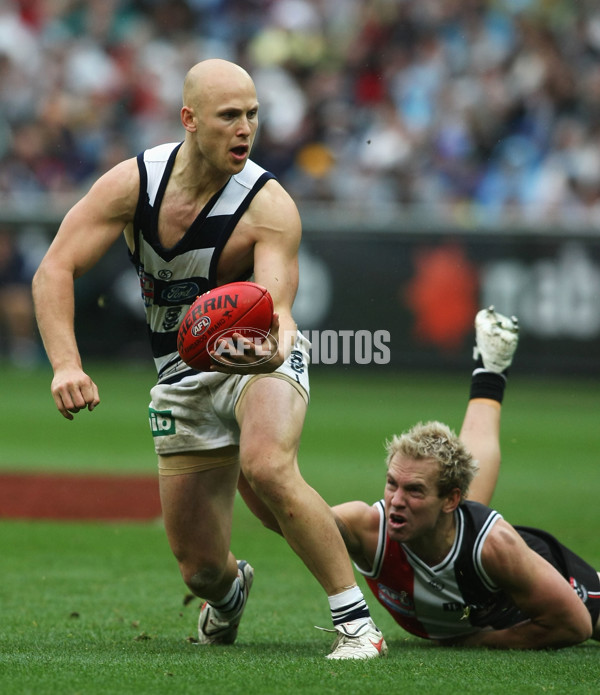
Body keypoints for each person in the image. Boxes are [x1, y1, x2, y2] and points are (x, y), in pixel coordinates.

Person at [31, 58, 386, 659]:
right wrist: (67, 364)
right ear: (189, 120)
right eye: (229, 116)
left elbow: (277, 307)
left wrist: (274, 337)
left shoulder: (269, 205)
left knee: (268, 466)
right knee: (198, 569)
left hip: (256, 357)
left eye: (252, 115)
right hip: (178, 375)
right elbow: (54, 268)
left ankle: (357, 624)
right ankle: (230, 594)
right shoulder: (133, 184)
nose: (245, 128)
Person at [240, 307, 600, 650]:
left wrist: (477, 643)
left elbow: (574, 624)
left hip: (539, 577)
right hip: (460, 538)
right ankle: (489, 372)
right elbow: (285, 515)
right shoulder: (370, 528)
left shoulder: (496, 547)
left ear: (450, 500)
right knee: (459, 507)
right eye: (392, 483)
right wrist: (236, 453)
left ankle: (491, 373)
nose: (396, 500)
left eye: (413, 490)